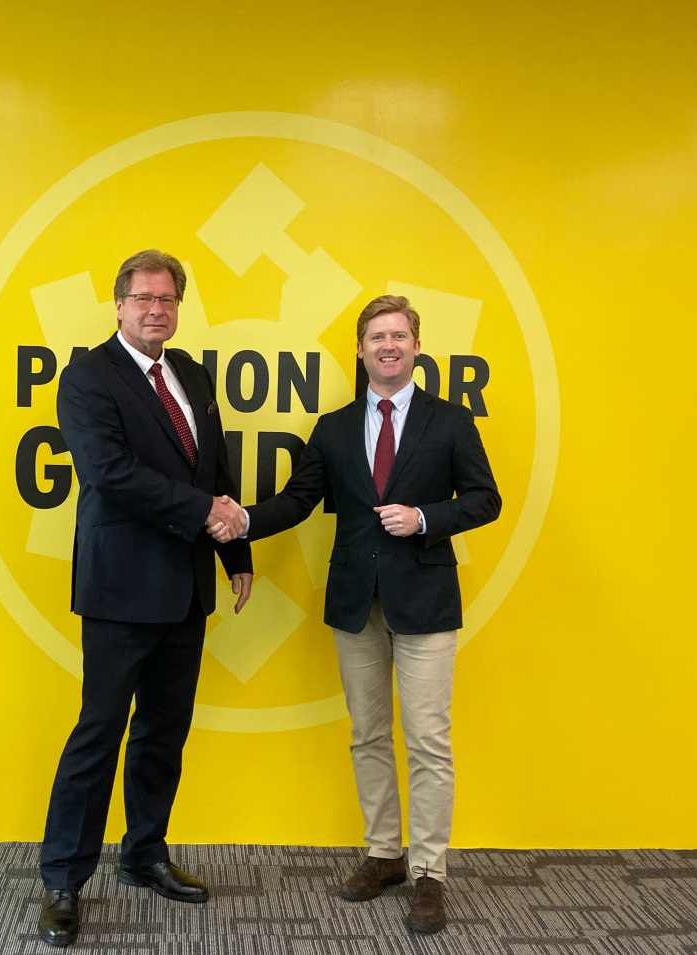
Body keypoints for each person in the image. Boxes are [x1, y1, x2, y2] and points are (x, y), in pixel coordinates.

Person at [210, 294, 500, 934]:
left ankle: (430, 873)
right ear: (361, 350)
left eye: (399, 336)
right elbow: (298, 500)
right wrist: (243, 521)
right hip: (355, 602)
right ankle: (385, 855)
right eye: (377, 337)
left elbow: (485, 499)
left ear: (416, 347)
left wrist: (424, 517)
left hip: (425, 601)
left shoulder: (451, 422)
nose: (388, 346)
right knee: (368, 735)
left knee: (428, 741)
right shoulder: (334, 427)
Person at [37, 249, 254, 948]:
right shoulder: (87, 375)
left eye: (168, 299)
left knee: (164, 730)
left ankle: (144, 854)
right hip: (120, 587)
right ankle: (64, 880)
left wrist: (235, 550)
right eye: (144, 298)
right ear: (119, 305)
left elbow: (213, 468)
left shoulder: (191, 372)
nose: (157, 310)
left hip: (186, 586)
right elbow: (110, 472)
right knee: (99, 733)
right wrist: (205, 513)